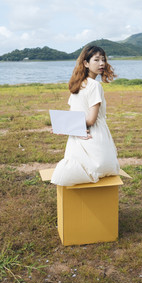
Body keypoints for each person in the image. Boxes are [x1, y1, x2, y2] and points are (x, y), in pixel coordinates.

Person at [51, 44, 120, 186]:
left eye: (103, 59)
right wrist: (65, 126)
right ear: (86, 63)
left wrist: (64, 126)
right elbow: (91, 119)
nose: (102, 63)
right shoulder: (95, 85)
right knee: (104, 167)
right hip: (93, 134)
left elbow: (72, 115)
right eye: (96, 60)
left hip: (78, 135)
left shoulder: (78, 84)